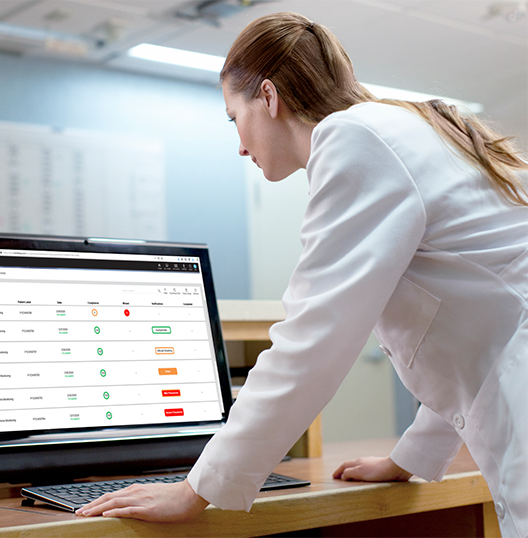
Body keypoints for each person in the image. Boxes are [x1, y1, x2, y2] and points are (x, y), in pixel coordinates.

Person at [77, 12, 528, 536]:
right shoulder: (404, 126)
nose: (240, 145)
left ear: (268, 97)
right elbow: (476, 328)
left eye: (233, 118)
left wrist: (192, 490)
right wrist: (409, 458)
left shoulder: (354, 138)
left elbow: (313, 340)